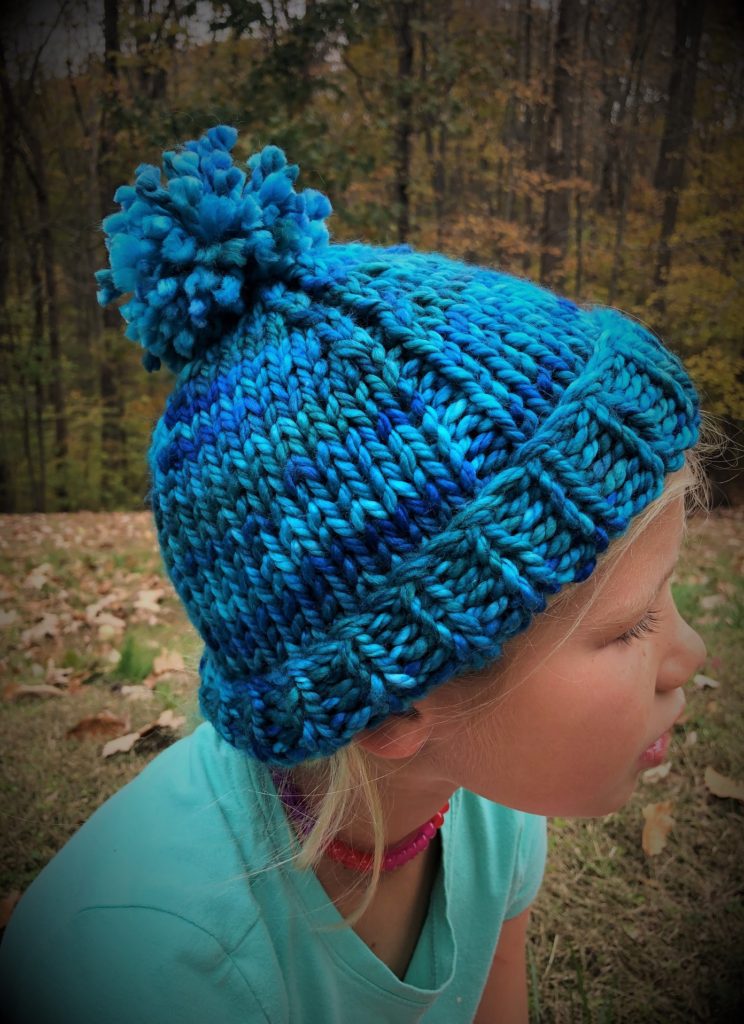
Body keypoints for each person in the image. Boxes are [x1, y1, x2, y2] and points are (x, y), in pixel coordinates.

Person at [1, 124, 712, 1023]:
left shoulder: (482, 800)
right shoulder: (146, 969)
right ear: (399, 706)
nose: (689, 653)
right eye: (634, 626)